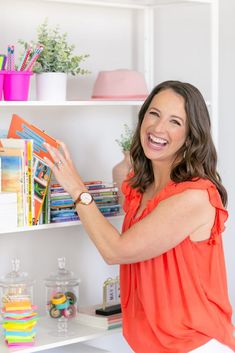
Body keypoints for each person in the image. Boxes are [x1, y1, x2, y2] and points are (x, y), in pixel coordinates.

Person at [44, 80, 235, 353]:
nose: (158, 128)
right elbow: (122, 178)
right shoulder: (141, 187)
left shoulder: (193, 196)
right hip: (151, 345)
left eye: (175, 122)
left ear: (191, 135)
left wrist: (76, 188)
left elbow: (116, 250)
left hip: (194, 345)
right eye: (154, 114)